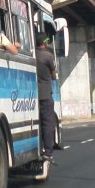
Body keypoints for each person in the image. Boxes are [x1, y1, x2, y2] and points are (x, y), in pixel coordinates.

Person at [35, 31, 56, 161]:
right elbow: (54, 74)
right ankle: (48, 152)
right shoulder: (48, 56)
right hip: (45, 94)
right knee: (48, 123)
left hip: (33, 95)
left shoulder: (32, 55)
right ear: (44, 42)